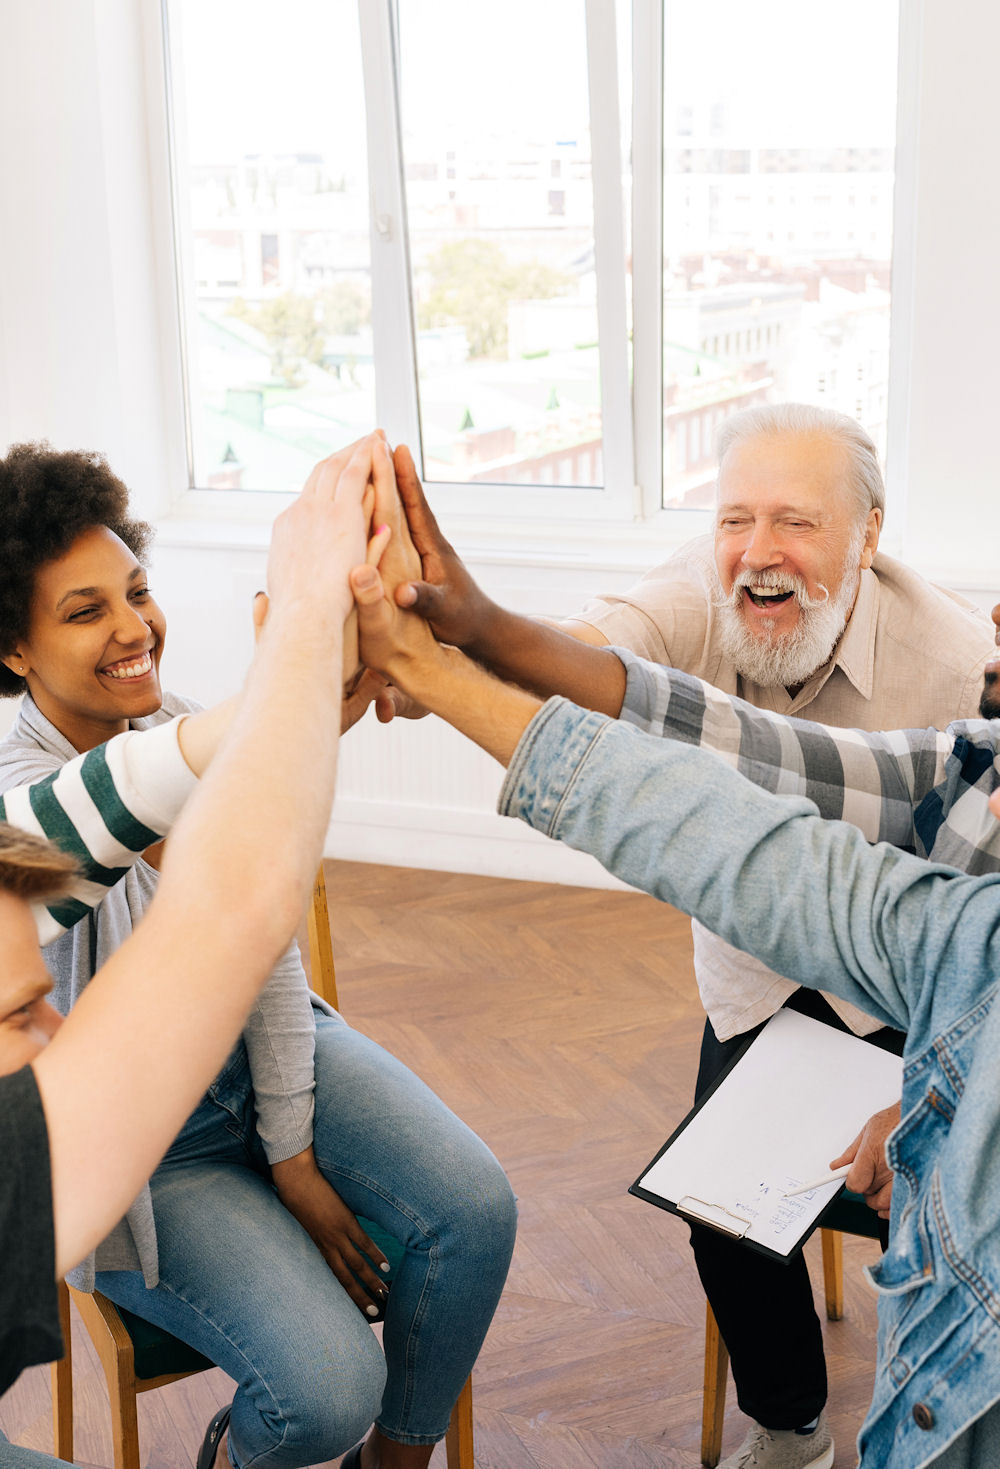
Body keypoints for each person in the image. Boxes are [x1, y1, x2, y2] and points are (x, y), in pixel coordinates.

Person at [378, 405, 995, 1467]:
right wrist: (468, 640)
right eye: (736, 520)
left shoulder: (950, 658)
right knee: (721, 1202)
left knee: (934, 1209)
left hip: (904, 1002)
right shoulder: (960, 752)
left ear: (867, 537)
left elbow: (936, 944)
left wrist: (943, 1085)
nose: (758, 551)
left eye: (796, 522)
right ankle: (790, 1424)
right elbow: (729, 742)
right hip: (770, 976)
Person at [0, 438, 516, 1469]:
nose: (133, 626)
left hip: (265, 1070)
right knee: (324, 1392)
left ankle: (400, 1459)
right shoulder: (16, 799)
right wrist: (292, 689)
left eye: (135, 591)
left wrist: (290, 1149)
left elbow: (266, 952)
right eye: (83, 609)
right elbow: (191, 856)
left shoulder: (179, 718)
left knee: (474, 1207)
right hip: (141, 1154)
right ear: (12, 649)